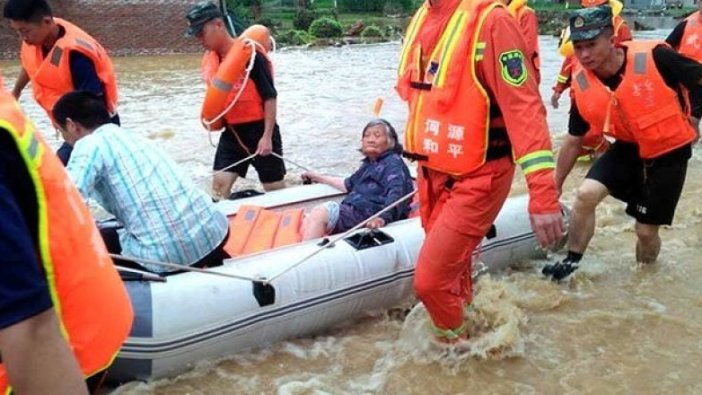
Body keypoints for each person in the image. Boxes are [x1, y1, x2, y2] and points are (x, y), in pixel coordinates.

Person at [397, 0, 564, 343]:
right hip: (432, 173)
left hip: (480, 174)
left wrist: (543, 197)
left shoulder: (493, 22)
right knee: (452, 272)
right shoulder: (425, 17)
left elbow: (526, 112)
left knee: (428, 282)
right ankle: (469, 323)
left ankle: (455, 349)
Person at [545, 6, 702, 281]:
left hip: (669, 150)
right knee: (585, 195)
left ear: (611, 38)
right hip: (629, 147)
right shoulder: (581, 81)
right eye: (578, 47)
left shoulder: (656, 56)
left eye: (591, 45)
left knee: (645, 231)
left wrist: (695, 116)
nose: (584, 55)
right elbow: (573, 139)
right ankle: (571, 262)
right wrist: (553, 187)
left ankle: (646, 278)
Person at [0, 87, 132, 394]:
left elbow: (31, 328)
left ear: (71, 126)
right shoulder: (120, 135)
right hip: (98, 317)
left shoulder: (86, 149)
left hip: (68, 338)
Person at [53, 91, 230, 274]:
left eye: (60, 131)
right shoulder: (130, 136)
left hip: (166, 256)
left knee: (92, 243)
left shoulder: (88, 144)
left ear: (71, 125)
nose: (63, 139)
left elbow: (70, 200)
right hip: (216, 231)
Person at [186, 1, 286, 199]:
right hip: (232, 133)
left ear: (218, 25)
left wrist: (266, 137)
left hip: (260, 130)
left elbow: (270, 97)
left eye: (201, 33)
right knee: (218, 189)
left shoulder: (251, 55)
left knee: (276, 191)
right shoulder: (212, 61)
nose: (199, 40)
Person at [3, 0, 120, 165]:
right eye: (18, 32)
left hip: (94, 126)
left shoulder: (76, 56)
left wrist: (75, 141)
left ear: (47, 22)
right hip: (70, 125)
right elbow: (30, 64)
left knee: (63, 171)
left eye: (25, 31)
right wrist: (16, 92)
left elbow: (94, 104)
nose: (23, 38)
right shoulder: (35, 41)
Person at [301, 119, 414, 240]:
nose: (370, 140)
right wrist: (318, 177)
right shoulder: (369, 163)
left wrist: (383, 218)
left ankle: (304, 254)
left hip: (367, 216)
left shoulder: (393, 163)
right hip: (352, 213)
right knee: (311, 217)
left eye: (377, 135)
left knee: (319, 214)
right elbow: (348, 184)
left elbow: (397, 193)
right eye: (366, 136)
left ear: (390, 141)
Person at [551, 0, 632, 109]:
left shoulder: (620, 27)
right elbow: (569, 60)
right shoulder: (576, 30)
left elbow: (628, 60)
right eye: (586, 8)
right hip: (580, 92)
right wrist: (558, 89)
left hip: (613, 93)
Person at [505, 0, 540, 83]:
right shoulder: (501, 12)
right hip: (508, 68)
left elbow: (528, 47)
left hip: (525, 70)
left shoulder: (526, 13)